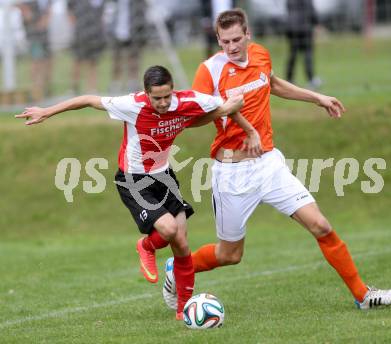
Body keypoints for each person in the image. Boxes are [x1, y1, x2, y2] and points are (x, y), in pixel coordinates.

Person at [162, 8, 391, 311]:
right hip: (232, 173)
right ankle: (177, 268)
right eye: (225, 42)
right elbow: (190, 118)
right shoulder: (209, 70)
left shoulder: (261, 54)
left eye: (237, 39)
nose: (232, 47)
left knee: (321, 226)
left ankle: (362, 295)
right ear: (218, 40)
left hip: (269, 165)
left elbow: (273, 84)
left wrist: (317, 98)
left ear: (248, 34)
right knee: (230, 255)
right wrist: (227, 110)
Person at [15, 65, 249, 320]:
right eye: (156, 97)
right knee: (169, 230)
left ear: (173, 90)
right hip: (134, 179)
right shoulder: (132, 105)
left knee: (181, 243)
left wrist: (243, 122)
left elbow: (218, 109)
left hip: (164, 176)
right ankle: (146, 246)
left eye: (166, 96)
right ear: (146, 93)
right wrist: (47, 112)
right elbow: (88, 100)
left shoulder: (188, 100)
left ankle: (183, 310)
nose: (162, 103)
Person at [108, 0, 148, 93]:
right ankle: (116, 83)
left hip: (133, 31)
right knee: (117, 60)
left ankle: (133, 83)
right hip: (117, 32)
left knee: (134, 59)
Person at [67, 0, 106, 94]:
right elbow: (69, 9)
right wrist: (76, 26)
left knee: (93, 62)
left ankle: (91, 88)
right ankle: (74, 88)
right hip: (80, 33)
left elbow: (102, 15)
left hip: (95, 34)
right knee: (77, 61)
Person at [19, 0, 52, 101]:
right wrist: (29, 16)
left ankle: (43, 89)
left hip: (44, 35)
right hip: (34, 36)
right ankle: (36, 90)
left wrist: (45, 20)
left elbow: (48, 11)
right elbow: (21, 7)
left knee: (46, 62)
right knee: (36, 62)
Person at [285, 0, 321, 90]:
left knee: (292, 54)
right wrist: (316, 23)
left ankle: (289, 79)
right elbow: (311, 10)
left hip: (291, 28)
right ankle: (311, 79)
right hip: (305, 28)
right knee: (308, 54)